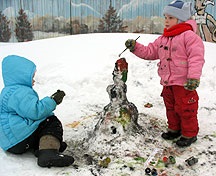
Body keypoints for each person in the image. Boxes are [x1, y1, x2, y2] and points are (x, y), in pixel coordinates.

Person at [125, 0, 205, 147]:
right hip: (168, 83)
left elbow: (196, 58)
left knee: (186, 108)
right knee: (171, 107)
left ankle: (189, 133)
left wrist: (193, 77)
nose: (166, 21)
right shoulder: (163, 38)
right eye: (166, 17)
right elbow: (150, 51)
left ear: (181, 19)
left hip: (184, 84)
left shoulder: (189, 37)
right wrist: (135, 47)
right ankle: (174, 129)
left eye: (171, 18)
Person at [0, 55, 74, 167]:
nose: (33, 80)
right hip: (19, 138)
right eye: (31, 77)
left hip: (11, 142)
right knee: (50, 121)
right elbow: (35, 112)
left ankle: (45, 144)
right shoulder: (20, 92)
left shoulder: (8, 91)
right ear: (21, 76)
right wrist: (52, 101)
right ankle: (48, 152)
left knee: (37, 126)